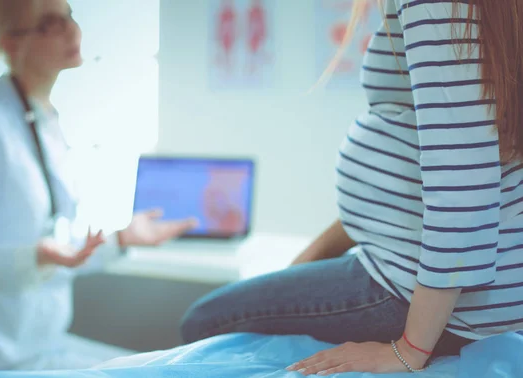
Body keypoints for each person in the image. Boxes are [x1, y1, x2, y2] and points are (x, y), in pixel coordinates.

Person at [181, 0, 523, 375]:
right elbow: (424, 178)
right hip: (414, 261)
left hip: (429, 289)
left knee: (204, 322)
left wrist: (408, 350)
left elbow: (464, 183)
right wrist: (301, 266)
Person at [0, 0, 197, 371]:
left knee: (167, 367)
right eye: (50, 24)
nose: (71, 30)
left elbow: (53, 253)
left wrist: (123, 239)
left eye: (69, 15)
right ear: (10, 44)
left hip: (41, 348)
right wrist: (34, 256)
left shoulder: (43, 123)